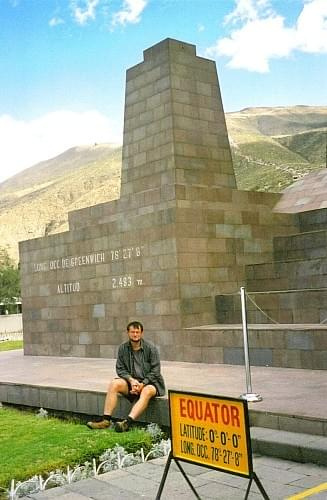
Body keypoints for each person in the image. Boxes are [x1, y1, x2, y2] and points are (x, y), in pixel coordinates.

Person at [87, 320, 165, 432]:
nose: (135, 334)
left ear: (141, 333)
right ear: (128, 333)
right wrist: (132, 381)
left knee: (146, 391)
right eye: (132, 332)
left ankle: (127, 422)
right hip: (132, 383)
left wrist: (142, 384)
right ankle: (106, 420)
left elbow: (156, 371)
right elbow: (120, 369)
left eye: (137, 332)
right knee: (115, 383)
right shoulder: (123, 348)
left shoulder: (151, 349)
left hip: (151, 383)